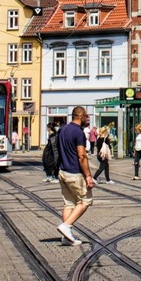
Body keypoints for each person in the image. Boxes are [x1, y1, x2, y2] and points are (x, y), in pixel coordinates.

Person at [55, 106, 95, 247]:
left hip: (62, 171)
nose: (88, 119)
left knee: (69, 203)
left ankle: (67, 237)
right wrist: (88, 176)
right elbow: (82, 155)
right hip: (74, 172)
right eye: (86, 116)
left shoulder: (63, 130)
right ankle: (66, 226)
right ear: (80, 116)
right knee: (86, 200)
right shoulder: (78, 133)